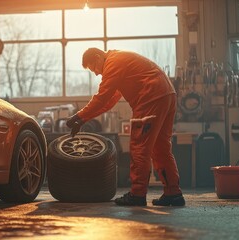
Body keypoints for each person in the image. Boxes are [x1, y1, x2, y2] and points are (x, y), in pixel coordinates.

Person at [66, 47, 185, 206]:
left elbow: (102, 97)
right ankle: (173, 193)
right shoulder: (121, 61)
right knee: (161, 147)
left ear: (98, 56)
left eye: (94, 67)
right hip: (167, 95)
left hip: (150, 96)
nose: (96, 73)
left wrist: (78, 116)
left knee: (139, 147)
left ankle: (137, 194)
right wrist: (82, 120)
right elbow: (109, 101)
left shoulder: (113, 63)